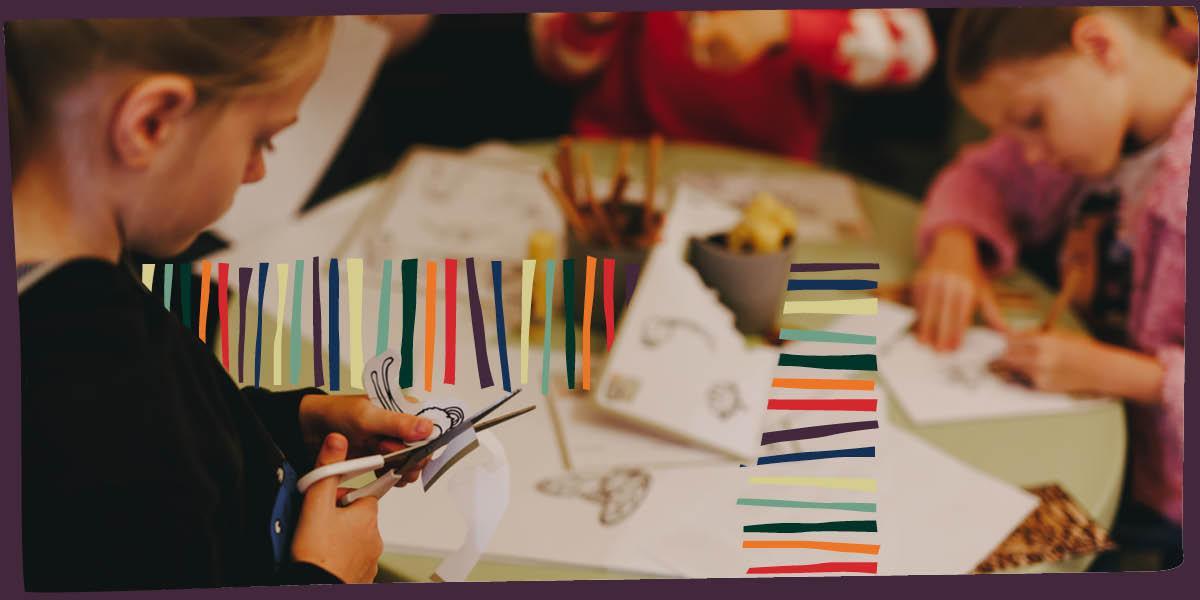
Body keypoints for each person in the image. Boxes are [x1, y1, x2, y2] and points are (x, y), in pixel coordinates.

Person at [9, 17, 434, 590]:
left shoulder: (82, 285)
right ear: (152, 122)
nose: (258, 171)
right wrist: (328, 577)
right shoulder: (101, 391)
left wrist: (293, 424)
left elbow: (184, 448)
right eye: (261, 138)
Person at [912, 7, 1191, 566]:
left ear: (1100, 47)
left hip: (1167, 496)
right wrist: (955, 243)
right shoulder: (1093, 130)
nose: (1031, 152)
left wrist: (1123, 374)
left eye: (1033, 119)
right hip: (1076, 441)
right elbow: (979, 176)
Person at [529, 9, 936, 161]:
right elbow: (558, 63)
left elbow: (913, 52)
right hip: (618, 162)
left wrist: (786, 24)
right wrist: (591, 21)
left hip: (765, 181)